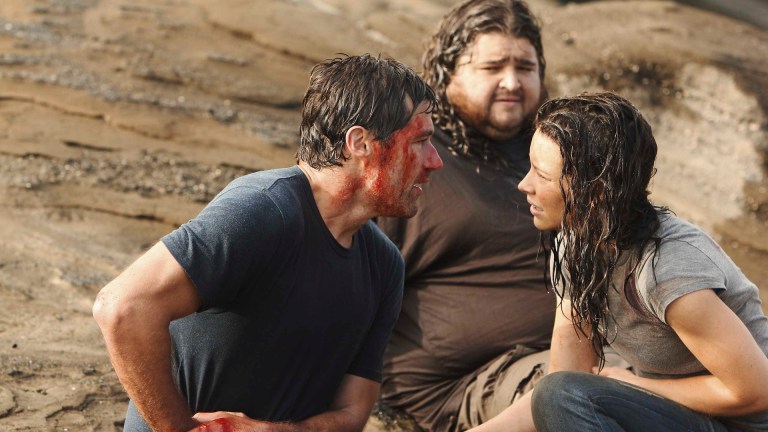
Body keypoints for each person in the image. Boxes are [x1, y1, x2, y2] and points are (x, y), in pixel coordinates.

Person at [92, 54, 443, 432]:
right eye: (421, 141)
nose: (435, 161)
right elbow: (123, 308)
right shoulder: (263, 211)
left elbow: (353, 413)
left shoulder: (384, 264)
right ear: (360, 143)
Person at [472, 91, 768, 432]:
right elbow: (559, 388)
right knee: (559, 392)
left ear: (596, 191)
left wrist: (632, 384)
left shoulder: (666, 270)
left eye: (542, 174)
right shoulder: (576, 246)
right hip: (671, 419)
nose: (525, 184)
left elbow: (753, 392)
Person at [374, 1, 556, 430]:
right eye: (492, 67)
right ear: (446, 74)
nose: (512, 82)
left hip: (581, 354)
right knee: (598, 391)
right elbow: (337, 280)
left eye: (525, 67)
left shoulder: (556, 154)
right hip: (463, 388)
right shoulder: (413, 162)